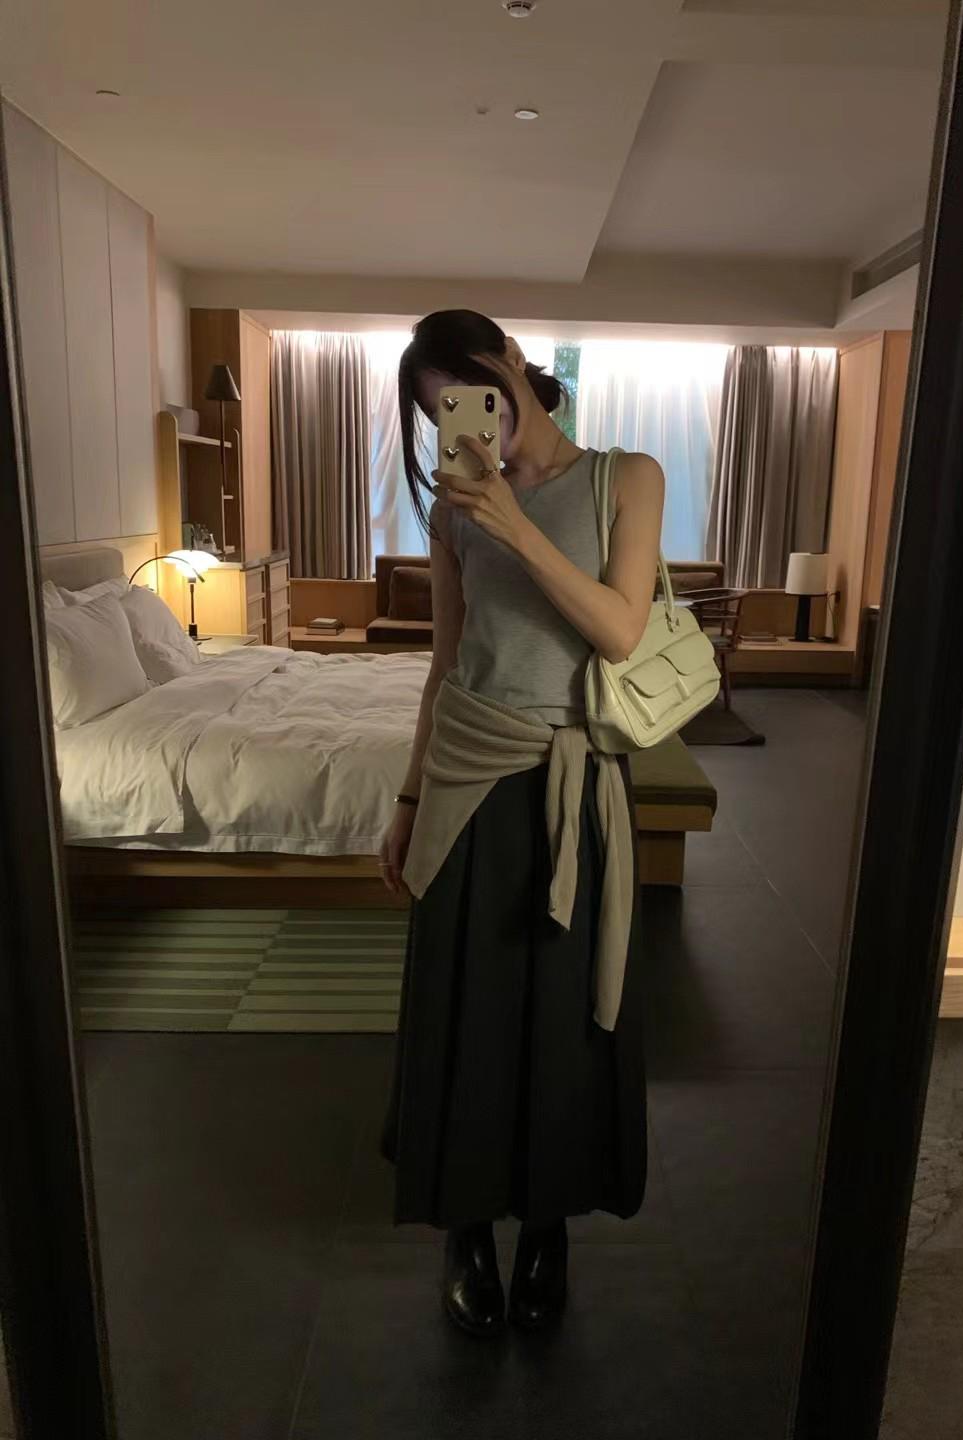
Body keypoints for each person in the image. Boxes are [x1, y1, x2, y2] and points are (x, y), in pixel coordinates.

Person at [378, 309, 664, 1337]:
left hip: (572, 783)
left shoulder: (628, 478)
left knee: (561, 1014)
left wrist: (514, 525)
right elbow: (446, 662)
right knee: (469, 1010)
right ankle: (466, 1229)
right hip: (466, 775)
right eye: (438, 415)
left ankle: (548, 1225)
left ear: (507, 363)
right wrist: (409, 798)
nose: (464, 426)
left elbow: (620, 632)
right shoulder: (452, 513)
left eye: (468, 396)